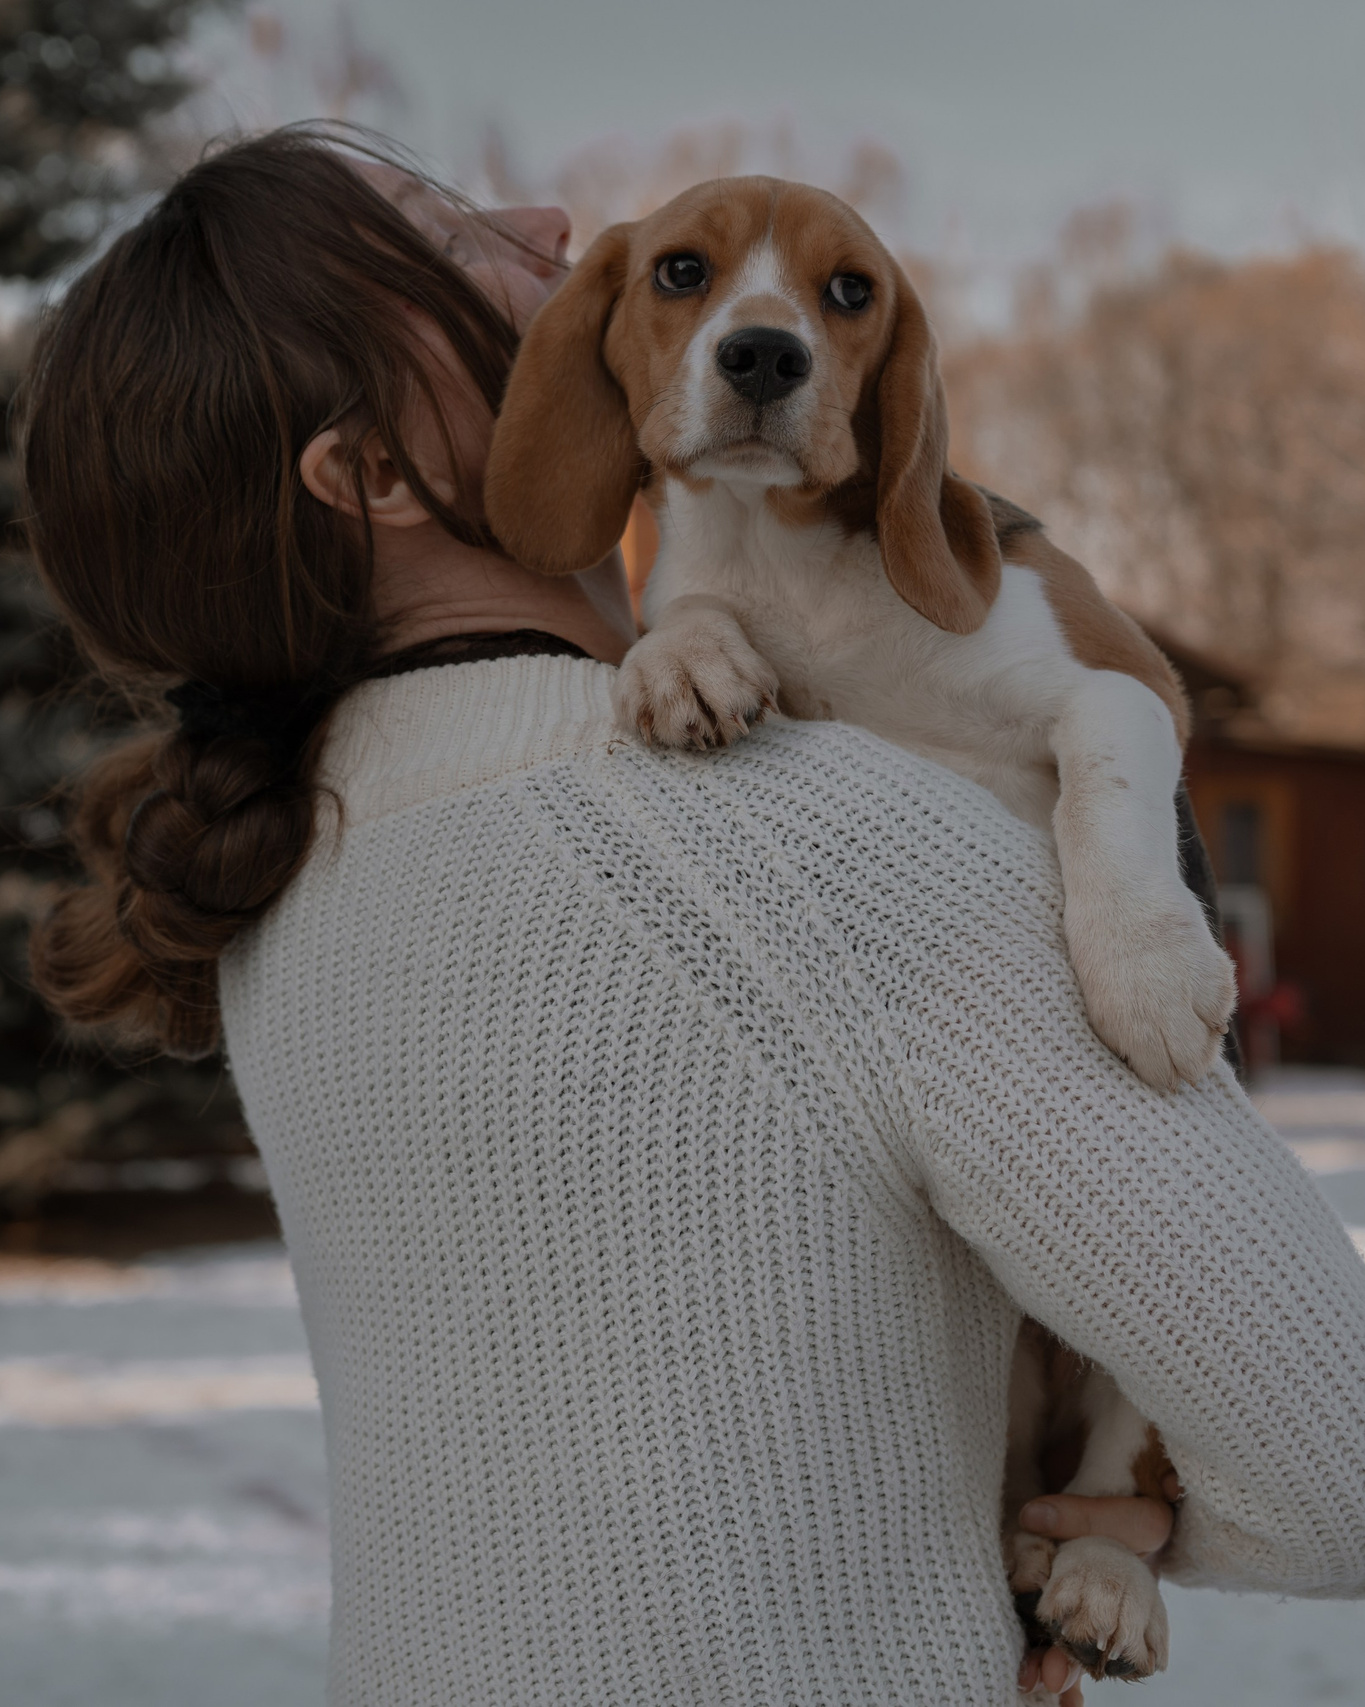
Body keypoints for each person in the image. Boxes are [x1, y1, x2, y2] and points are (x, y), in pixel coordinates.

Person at [18, 126, 1365, 1707]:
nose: (546, 220)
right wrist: (1113, 1526)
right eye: (448, 238)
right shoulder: (831, 847)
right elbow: (1334, 1451)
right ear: (374, 472)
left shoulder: (278, 881)